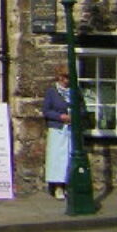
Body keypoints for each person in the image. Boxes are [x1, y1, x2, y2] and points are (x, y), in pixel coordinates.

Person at [43, 64, 71, 200]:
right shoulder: (52, 92)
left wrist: (76, 115)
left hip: (71, 129)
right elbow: (46, 111)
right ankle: (58, 186)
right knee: (57, 158)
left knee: (70, 157)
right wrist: (60, 117)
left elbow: (82, 108)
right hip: (57, 129)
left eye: (70, 78)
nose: (68, 80)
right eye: (65, 77)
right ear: (59, 77)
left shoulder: (74, 92)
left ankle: (69, 185)